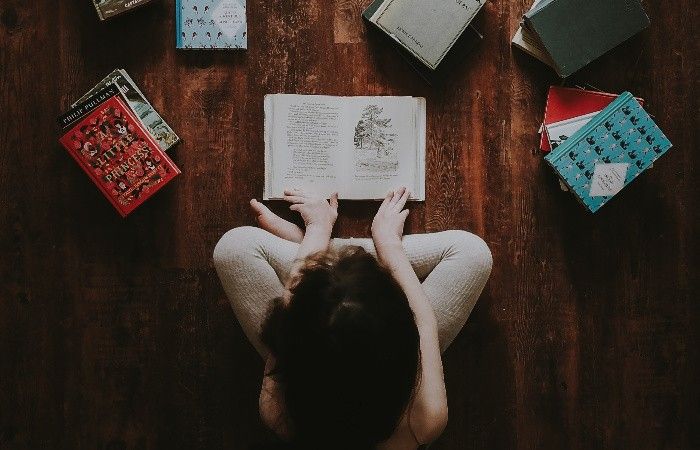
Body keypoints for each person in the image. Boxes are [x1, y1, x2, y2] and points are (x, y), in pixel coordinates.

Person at [213, 187, 492, 449]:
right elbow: (425, 321)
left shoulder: (277, 412)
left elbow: (290, 313)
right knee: (473, 253)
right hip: (386, 350)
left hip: (312, 343)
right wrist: (389, 244)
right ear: (404, 334)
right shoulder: (425, 419)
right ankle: (338, 257)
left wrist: (316, 232)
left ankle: (322, 255)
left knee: (233, 248)